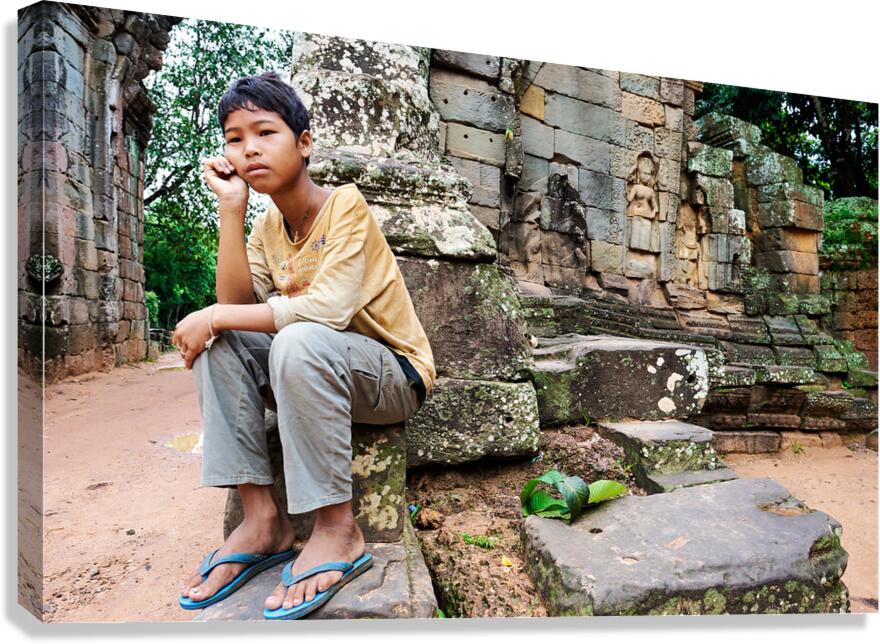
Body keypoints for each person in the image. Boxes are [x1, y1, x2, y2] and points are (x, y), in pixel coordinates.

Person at [171, 71, 435, 620]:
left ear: (304, 142)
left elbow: (325, 311)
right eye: (234, 138)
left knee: (296, 336)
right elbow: (238, 305)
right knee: (223, 342)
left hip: (391, 376)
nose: (249, 148)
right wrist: (232, 209)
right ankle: (264, 520)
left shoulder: (347, 206)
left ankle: (338, 529)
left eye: (265, 132)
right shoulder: (268, 228)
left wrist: (214, 314)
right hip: (312, 369)